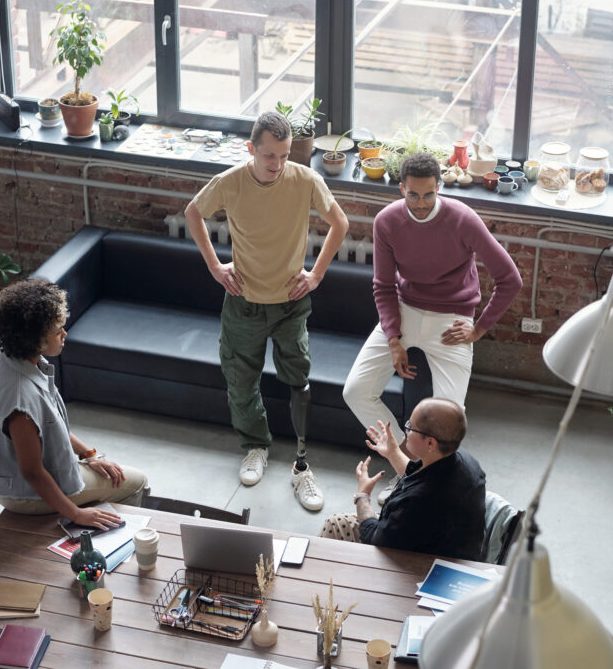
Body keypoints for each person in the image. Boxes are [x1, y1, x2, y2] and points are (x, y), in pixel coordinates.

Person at [184, 111, 349, 511]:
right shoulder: (230, 182)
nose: (277, 164)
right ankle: (255, 447)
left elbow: (340, 223)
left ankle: (301, 463)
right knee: (241, 382)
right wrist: (215, 266)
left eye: (285, 155)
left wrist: (316, 275)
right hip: (244, 303)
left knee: (299, 381)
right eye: (270, 156)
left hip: (291, 302)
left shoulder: (305, 180)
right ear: (251, 150)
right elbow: (193, 213)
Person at [342, 152, 521, 503]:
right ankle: (409, 468)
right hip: (406, 310)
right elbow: (383, 286)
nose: (421, 203)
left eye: (428, 194)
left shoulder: (462, 219)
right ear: (401, 189)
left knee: (450, 419)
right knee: (356, 391)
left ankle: (421, 476)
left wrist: (479, 329)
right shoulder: (387, 221)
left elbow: (510, 279)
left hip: (452, 319)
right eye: (413, 194)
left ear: (439, 187)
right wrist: (393, 340)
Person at [0, 279, 147, 528]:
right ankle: (113, 538)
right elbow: (32, 472)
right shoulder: (21, 399)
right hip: (22, 493)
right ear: (35, 339)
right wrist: (76, 514)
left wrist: (90, 455)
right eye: (58, 331)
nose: (64, 334)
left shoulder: (1, 352)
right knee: (135, 481)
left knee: (107, 472)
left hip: (2, 475)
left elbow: (49, 425)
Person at [319, 398, 486, 561]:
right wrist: (392, 453)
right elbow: (419, 478)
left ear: (430, 443)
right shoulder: (464, 461)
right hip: (447, 547)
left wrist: (363, 495)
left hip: (420, 565)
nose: (406, 431)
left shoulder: (420, 501)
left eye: (411, 427)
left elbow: (375, 539)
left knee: (334, 525)